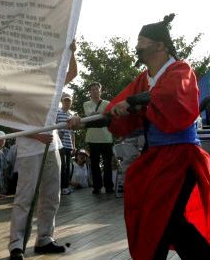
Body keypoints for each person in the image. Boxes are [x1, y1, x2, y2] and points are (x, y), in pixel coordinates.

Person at [69, 14, 210, 259]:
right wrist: (81, 122)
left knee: (168, 219)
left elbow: (170, 97)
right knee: (151, 213)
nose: (137, 46)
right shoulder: (144, 79)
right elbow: (115, 110)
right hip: (156, 157)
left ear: (160, 44)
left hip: (181, 156)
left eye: (142, 41)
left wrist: (133, 103)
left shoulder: (180, 69)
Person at [8, 40, 77, 260]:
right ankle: (16, 244)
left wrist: (72, 52)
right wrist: (36, 135)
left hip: (53, 146)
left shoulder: (51, 84)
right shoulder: (17, 90)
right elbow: (12, 125)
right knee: (25, 197)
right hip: (30, 150)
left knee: (51, 195)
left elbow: (72, 73)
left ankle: (45, 238)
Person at [83, 82, 114, 194]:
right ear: (90, 92)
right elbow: (90, 115)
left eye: (97, 89)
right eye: (93, 90)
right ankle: (97, 187)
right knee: (95, 164)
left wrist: (96, 116)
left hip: (106, 137)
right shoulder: (86, 104)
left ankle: (109, 186)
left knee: (107, 164)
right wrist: (99, 115)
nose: (95, 91)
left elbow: (108, 116)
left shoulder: (107, 103)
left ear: (101, 91)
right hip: (92, 138)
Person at [56, 93, 75, 195]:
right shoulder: (57, 112)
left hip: (68, 145)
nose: (67, 102)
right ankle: (62, 187)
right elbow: (53, 127)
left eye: (69, 100)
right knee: (62, 166)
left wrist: (74, 145)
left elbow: (73, 132)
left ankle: (66, 186)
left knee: (68, 167)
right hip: (60, 144)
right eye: (65, 100)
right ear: (62, 101)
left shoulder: (71, 115)